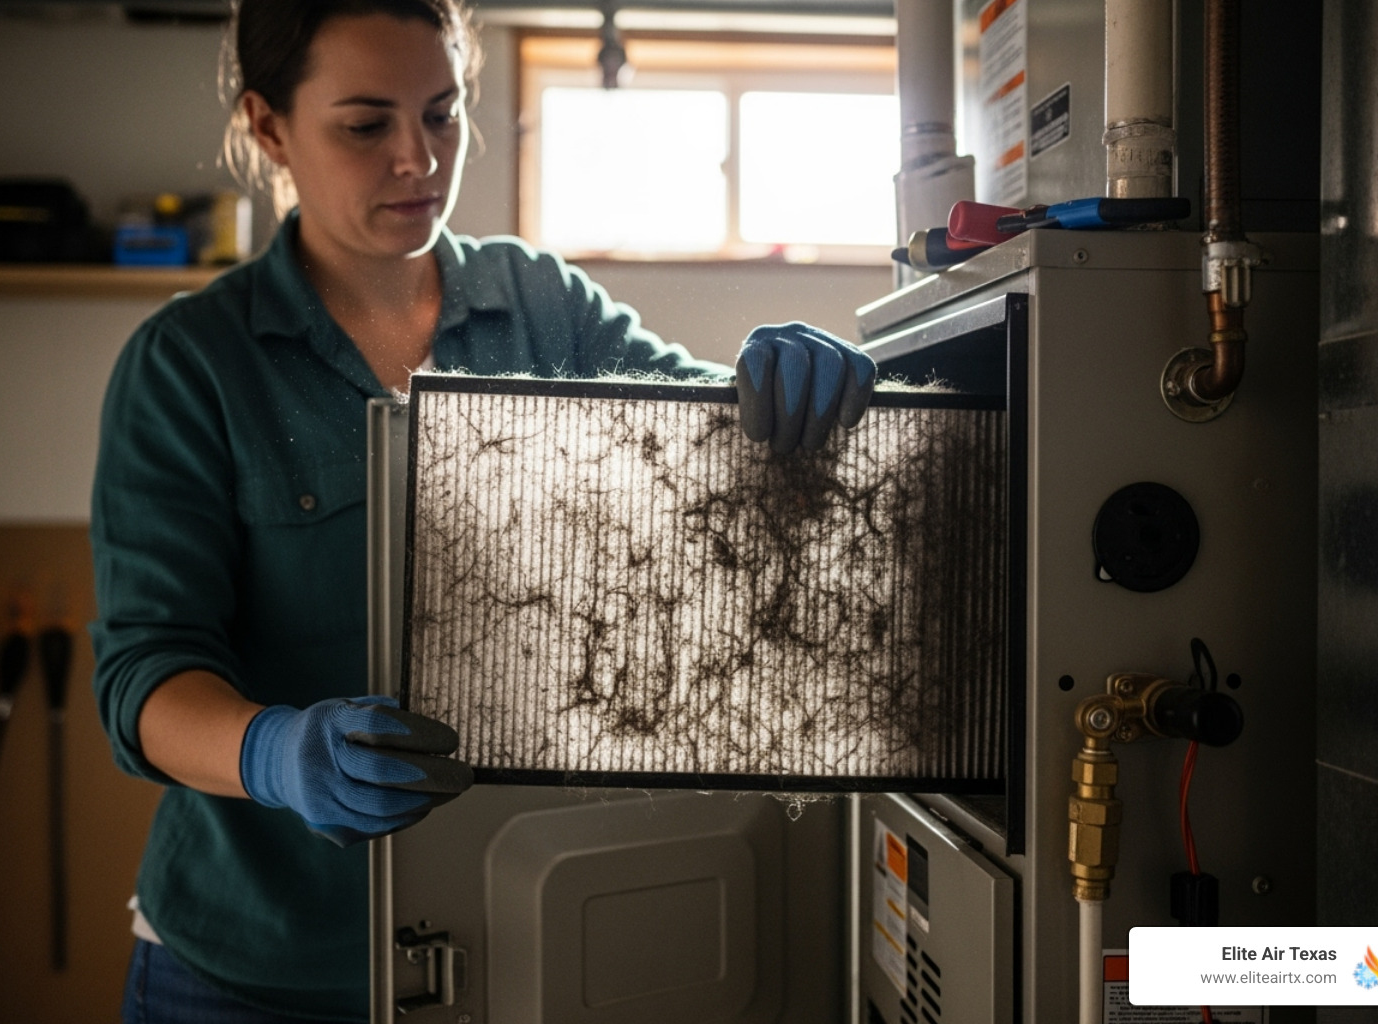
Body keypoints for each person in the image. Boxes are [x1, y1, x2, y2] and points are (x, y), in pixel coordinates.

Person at [89, 0, 877, 1020]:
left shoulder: (540, 304)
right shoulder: (191, 363)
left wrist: (783, 388)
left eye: (443, 113)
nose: (419, 159)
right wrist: (273, 752)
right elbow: (143, 674)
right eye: (367, 124)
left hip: (504, 936)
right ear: (271, 126)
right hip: (251, 967)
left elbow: (714, 448)